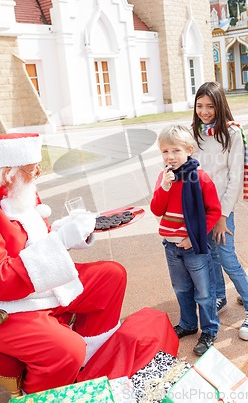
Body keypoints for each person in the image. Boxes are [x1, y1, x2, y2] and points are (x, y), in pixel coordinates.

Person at [0, 133, 127, 394]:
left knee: (111, 276)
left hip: (36, 288)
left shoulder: (19, 191)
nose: (38, 172)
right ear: (8, 173)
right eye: (32, 167)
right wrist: (59, 241)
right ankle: (39, 397)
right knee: (67, 350)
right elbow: (3, 281)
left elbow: (34, 237)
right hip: (10, 306)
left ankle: (90, 362)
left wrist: (68, 232)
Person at [192, 81, 248, 341]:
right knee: (210, 257)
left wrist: (222, 216)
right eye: (200, 106)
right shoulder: (195, 133)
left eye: (210, 106)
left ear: (220, 105)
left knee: (227, 258)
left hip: (221, 210)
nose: (204, 111)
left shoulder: (231, 133)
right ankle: (220, 296)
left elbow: (235, 178)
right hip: (199, 209)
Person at [150, 124, 221, 355]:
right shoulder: (164, 177)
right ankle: (189, 324)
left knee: (204, 291)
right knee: (181, 288)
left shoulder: (200, 177)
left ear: (189, 150)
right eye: (165, 151)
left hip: (193, 247)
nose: (170, 156)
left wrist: (194, 237)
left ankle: (209, 329)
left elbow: (213, 211)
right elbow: (157, 210)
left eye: (176, 151)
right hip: (170, 247)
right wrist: (164, 188)